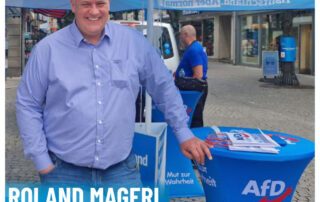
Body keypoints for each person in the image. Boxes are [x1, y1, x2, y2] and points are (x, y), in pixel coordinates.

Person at [16, 0, 212, 186]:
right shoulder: (47, 50)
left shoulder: (134, 43)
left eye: (100, 3)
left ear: (109, 4)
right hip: (64, 173)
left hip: (121, 172)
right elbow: (27, 104)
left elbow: (164, 88)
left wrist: (183, 132)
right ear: (73, 5)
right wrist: (41, 160)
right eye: (86, 4)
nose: (94, 11)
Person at [175, 25, 208, 128]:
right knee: (194, 117)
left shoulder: (194, 50)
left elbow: (198, 75)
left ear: (185, 35)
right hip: (196, 89)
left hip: (194, 90)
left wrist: (180, 81)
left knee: (194, 119)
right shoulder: (194, 48)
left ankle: (196, 139)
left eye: (181, 35)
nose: (180, 38)